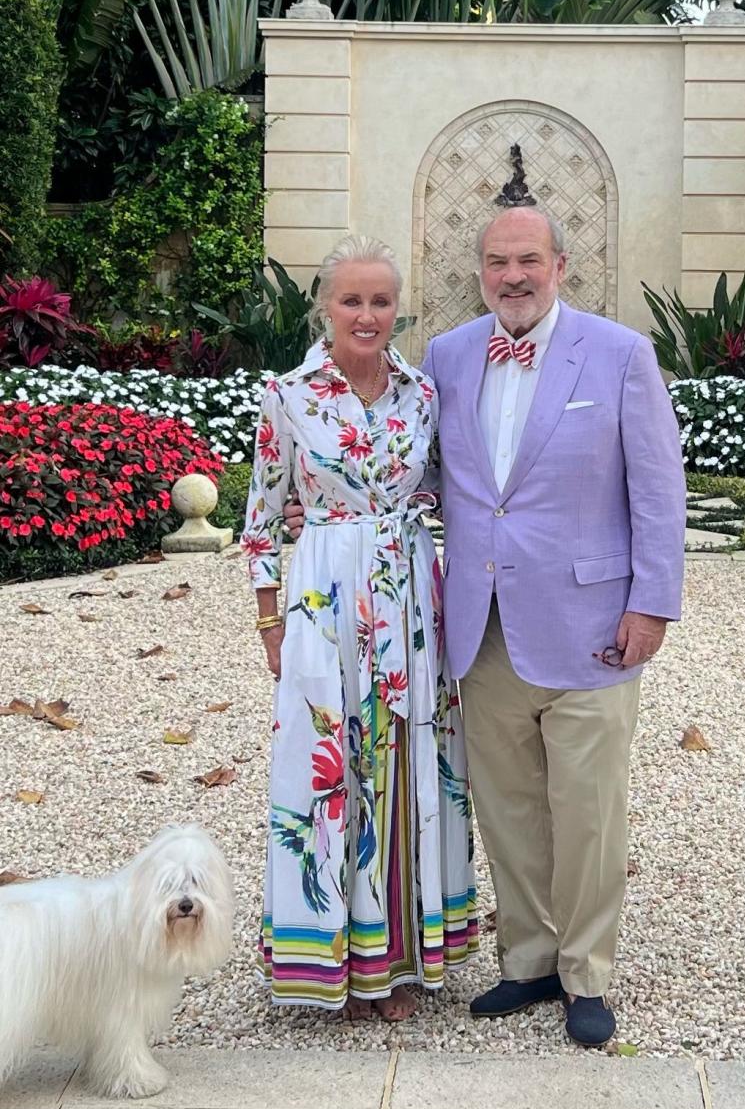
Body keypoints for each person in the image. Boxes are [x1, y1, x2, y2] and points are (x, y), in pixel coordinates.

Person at [285, 205, 686, 1046]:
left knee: (587, 811)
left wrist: (651, 604)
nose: (513, 276)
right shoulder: (448, 359)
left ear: (560, 265)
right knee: (506, 809)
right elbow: (413, 470)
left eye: (529, 260)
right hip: (476, 627)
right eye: (498, 262)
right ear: (480, 272)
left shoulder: (620, 356)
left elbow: (658, 491)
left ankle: (587, 973)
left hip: (591, 625)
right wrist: (324, 500)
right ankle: (529, 959)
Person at [241, 234, 477, 1022]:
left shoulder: (424, 395)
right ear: (325, 305)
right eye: (352, 300)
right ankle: (331, 962)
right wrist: (271, 619)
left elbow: (453, 491)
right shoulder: (287, 394)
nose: (367, 315)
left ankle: (400, 965)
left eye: (381, 301)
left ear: (397, 308)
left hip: (411, 598)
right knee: (328, 771)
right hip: (322, 603)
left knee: (410, 763)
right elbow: (261, 521)